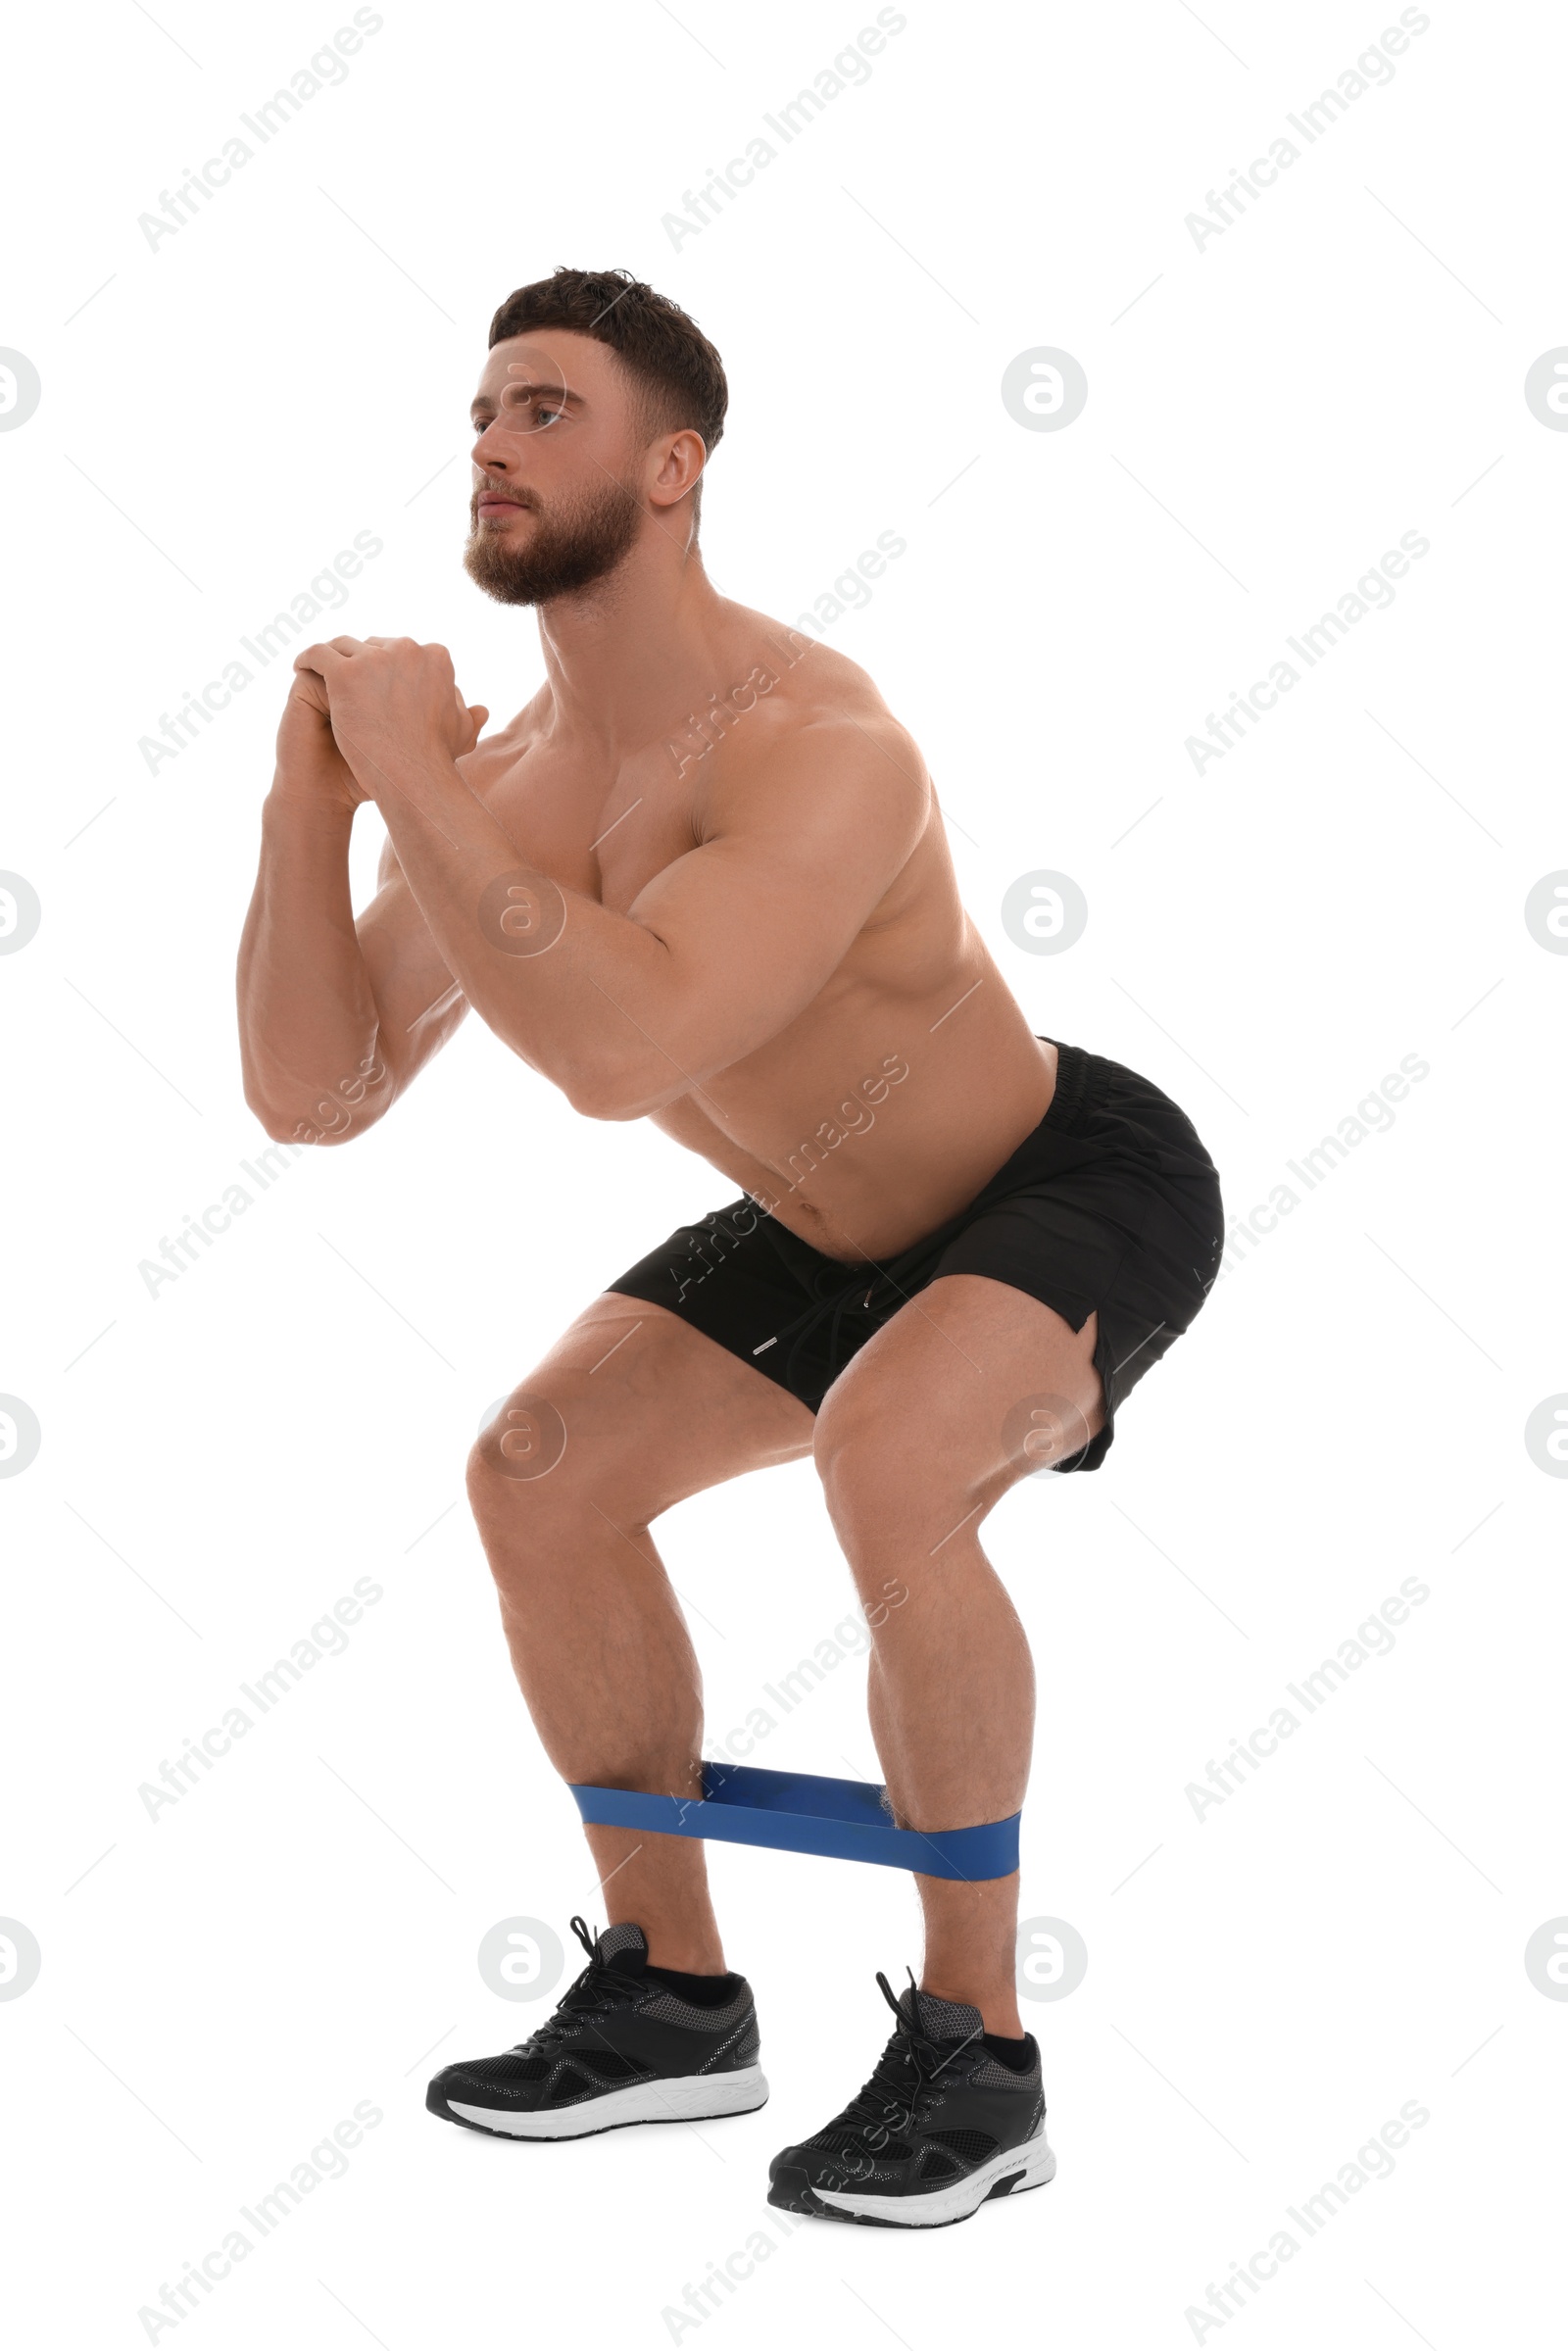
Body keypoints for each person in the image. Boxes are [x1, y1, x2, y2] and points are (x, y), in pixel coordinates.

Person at [236, 267, 1224, 2228]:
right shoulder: (503, 784)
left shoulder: (811, 741)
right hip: (818, 1224)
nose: (493, 446)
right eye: (483, 414)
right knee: (536, 1475)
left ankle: (978, 2061)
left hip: (1062, 1185)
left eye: (546, 413)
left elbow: (621, 1053)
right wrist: (308, 796)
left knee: (886, 1450)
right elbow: (319, 1090)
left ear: (672, 468)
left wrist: (413, 777)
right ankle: (674, 1998)